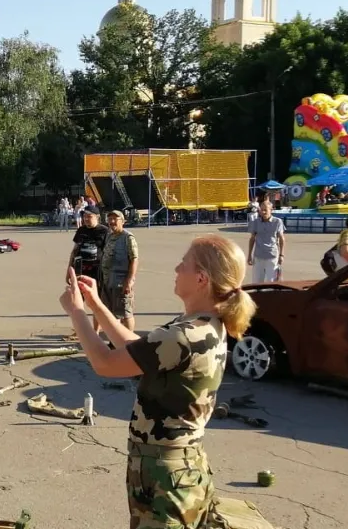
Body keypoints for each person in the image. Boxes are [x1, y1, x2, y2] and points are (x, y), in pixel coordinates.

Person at [58, 235, 254, 527]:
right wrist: (96, 305)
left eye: (184, 264)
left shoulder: (184, 334)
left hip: (166, 473)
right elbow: (139, 350)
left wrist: (76, 312)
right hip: (180, 467)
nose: (176, 268)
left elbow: (106, 363)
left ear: (201, 279)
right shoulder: (202, 325)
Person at [101, 210, 140, 332]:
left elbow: (134, 259)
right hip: (108, 281)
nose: (112, 222)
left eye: (115, 219)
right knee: (111, 313)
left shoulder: (127, 237)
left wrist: (129, 280)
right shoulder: (110, 236)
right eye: (110, 219)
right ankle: (115, 341)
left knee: (125, 312)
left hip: (121, 281)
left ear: (122, 222)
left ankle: (129, 341)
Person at [247, 200, 285, 283]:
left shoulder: (277, 222)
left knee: (271, 282)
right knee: (256, 282)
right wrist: (249, 255)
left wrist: (281, 255)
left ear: (271, 210)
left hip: (272, 256)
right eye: (262, 209)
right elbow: (252, 238)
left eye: (266, 210)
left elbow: (281, 238)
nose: (263, 212)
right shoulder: (256, 222)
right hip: (258, 256)